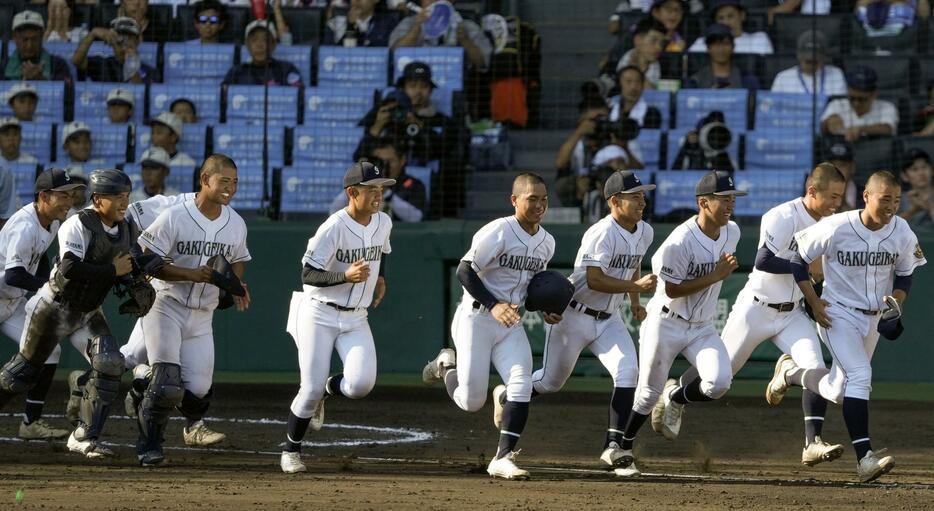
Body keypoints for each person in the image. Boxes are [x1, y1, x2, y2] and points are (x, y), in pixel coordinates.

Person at [677, 164, 848, 466]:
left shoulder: (830, 222)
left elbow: (822, 270)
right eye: (832, 197)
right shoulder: (783, 216)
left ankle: (812, 442)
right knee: (719, 377)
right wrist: (806, 268)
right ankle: (675, 394)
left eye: (840, 197)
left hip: (792, 314)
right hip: (756, 309)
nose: (837, 204)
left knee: (817, 370)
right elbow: (764, 260)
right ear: (812, 191)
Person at [783, 170, 926, 482]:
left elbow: (905, 273)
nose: (892, 206)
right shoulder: (837, 225)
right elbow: (797, 258)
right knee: (860, 376)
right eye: (885, 199)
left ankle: (793, 373)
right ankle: (865, 458)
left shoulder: (901, 230)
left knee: (839, 388)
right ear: (866, 196)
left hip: (874, 317)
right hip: (838, 314)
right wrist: (814, 301)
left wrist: (895, 303)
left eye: (897, 200)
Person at [0, 169, 151, 459]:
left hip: (86, 308)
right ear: (98, 199)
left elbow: (122, 265)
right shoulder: (71, 224)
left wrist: (137, 277)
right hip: (53, 308)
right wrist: (111, 272)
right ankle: (37, 416)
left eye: (126, 196)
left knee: (109, 363)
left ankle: (83, 436)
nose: (124, 202)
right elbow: (67, 269)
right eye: (116, 196)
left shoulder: (125, 226)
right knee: (19, 375)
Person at [422, 173, 558, 480]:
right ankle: (446, 366)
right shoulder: (500, 230)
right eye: (531, 198)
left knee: (522, 382)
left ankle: (503, 457)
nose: (539, 204)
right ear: (515, 200)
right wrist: (494, 303)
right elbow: (465, 270)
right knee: (471, 402)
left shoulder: (547, 242)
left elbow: (533, 287)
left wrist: (547, 308)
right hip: (476, 318)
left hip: (510, 324)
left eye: (544, 198)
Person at [613, 170, 742, 473]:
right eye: (722, 199)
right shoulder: (679, 242)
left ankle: (676, 396)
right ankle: (622, 449)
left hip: (702, 327)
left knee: (719, 383)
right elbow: (670, 289)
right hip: (667, 322)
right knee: (646, 395)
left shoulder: (732, 231)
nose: (729, 204)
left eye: (732, 199)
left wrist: (715, 276)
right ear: (703, 202)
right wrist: (716, 275)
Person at [528, 170, 656, 476]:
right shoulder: (601, 232)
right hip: (574, 315)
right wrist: (635, 290)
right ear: (614, 201)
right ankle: (510, 394)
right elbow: (595, 280)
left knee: (628, 373)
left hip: (609, 319)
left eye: (642, 194)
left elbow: (634, 262)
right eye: (634, 195)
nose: (642, 200)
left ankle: (614, 449)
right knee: (549, 382)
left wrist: (635, 303)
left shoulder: (645, 231)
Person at [133, 154, 251, 466]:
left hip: (202, 314)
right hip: (166, 305)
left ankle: (142, 387)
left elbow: (237, 259)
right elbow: (146, 260)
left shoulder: (235, 223)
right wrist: (189, 273)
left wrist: (235, 284)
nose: (230, 188)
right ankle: (149, 447)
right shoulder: (175, 216)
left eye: (235, 182)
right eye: (224, 181)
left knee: (198, 390)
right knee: (167, 383)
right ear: (204, 180)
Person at [280, 161, 393, 474]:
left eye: (380, 188)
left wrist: (380, 277)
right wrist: (345, 275)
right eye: (371, 189)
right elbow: (307, 273)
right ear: (351, 193)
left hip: (356, 317)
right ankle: (291, 450)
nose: (378, 194)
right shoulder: (334, 226)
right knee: (309, 387)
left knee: (360, 385)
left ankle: (328, 390)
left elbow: (382, 251)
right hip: (318, 313)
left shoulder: (383, 221)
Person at [0, 169, 83, 441]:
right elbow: (13, 274)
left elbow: (42, 258)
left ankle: (30, 423)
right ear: (43, 196)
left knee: (50, 351)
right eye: (62, 195)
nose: (68, 201)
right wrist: (48, 286)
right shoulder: (24, 225)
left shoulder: (53, 221)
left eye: (71, 195)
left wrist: (46, 279)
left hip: (11, 303)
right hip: (5, 293)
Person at [355, 62, 459, 168]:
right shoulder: (388, 115)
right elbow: (359, 157)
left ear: (431, 90)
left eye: (424, 86)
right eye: (412, 86)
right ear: (403, 89)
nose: (418, 91)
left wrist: (418, 126)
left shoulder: (443, 121)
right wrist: (377, 127)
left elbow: (442, 153)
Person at [329, 139, 428, 222]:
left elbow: (416, 218)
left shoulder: (413, 184)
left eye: (389, 161)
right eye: (380, 162)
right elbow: (333, 211)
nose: (385, 166)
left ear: (402, 160)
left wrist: (387, 194)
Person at [390, 0, 493, 73]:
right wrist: (416, 28)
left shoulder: (467, 26)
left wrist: (465, 41)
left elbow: (482, 63)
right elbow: (394, 53)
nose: (434, 2)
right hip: (416, 77)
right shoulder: (409, 23)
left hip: (454, 81)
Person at [73, 17, 161, 84]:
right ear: (112, 42)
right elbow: (76, 61)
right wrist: (93, 34)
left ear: (138, 41)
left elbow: (139, 95)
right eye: (119, 41)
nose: (124, 46)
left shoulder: (150, 71)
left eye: (129, 38)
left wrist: (131, 63)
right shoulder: (102, 64)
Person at [821, 65, 898, 142]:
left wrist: (861, 129)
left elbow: (888, 128)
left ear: (874, 95)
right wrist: (829, 121)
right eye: (852, 98)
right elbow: (821, 129)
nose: (856, 103)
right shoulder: (836, 104)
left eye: (862, 99)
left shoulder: (887, 107)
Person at [221, 20, 303, 87]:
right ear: (247, 45)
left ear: (273, 44)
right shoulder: (236, 72)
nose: (259, 45)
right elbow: (223, 98)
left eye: (264, 40)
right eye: (254, 40)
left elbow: (299, 98)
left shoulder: (287, 69)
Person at [770, 30, 847, 96]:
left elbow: (842, 106)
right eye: (808, 61)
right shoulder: (783, 78)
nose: (811, 66)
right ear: (799, 57)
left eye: (815, 62)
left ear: (823, 59)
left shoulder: (836, 74)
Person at [3, 10, 73, 82]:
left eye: (34, 39)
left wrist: (41, 79)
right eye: (24, 40)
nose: (29, 46)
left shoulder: (58, 65)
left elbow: (66, 90)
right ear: (15, 38)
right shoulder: (2, 67)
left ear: (42, 36)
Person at [687, 23, 759, 90]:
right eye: (716, 44)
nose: (721, 49)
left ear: (733, 47)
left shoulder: (747, 81)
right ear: (708, 48)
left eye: (725, 43)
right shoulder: (696, 81)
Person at [689, 0, 773, 54]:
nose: (726, 22)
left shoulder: (759, 39)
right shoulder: (701, 43)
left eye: (730, 16)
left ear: (742, 15)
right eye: (720, 18)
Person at [614, 17, 665, 88]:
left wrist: (639, 72)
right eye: (653, 41)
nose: (659, 47)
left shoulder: (660, 65)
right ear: (638, 40)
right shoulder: (617, 59)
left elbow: (653, 94)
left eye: (661, 43)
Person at [324, 0, 398, 47]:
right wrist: (350, 26)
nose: (356, 1)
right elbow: (329, 55)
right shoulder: (335, 23)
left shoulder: (388, 23)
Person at [898, 148, 934, 227]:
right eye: (914, 169)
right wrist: (914, 209)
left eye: (924, 167)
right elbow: (888, 229)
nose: (921, 173)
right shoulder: (898, 200)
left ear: (932, 170)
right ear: (904, 176)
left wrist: (930, 206)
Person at [856, 0, 930, 37]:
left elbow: (925, 18)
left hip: (905, 40)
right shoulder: (863, 2)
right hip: (867, 41)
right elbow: (857, 15)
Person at [825, 139, 861, 211]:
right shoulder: (815, 194)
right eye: (832, 165)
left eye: (842, 165)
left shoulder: (865, 196)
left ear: (852, 167)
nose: (836, 170)